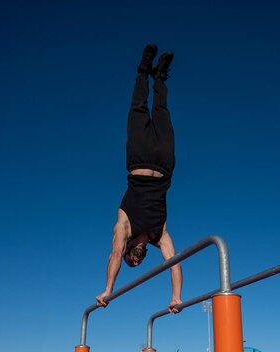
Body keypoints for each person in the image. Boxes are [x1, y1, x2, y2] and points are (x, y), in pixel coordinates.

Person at [95, 43, 183, 314]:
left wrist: (109, 289)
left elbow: (113, 255)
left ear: (128, 248)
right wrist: (176, 296)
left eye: (131, 258)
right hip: (165, 164)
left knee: (138, 110)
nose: (137, 259)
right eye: (139, 261)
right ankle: (160, 78)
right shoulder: (161, 235)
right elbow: (174, 263)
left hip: (138, 160)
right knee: (162, 113)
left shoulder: (123, 227)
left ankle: (143, 71)